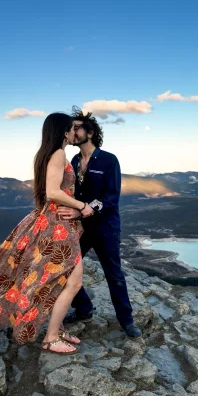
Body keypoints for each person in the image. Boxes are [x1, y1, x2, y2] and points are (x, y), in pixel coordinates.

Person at [0, 112, 94, 354]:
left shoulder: (46, 154)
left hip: (53, 223)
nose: (74, 132)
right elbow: (52, 192)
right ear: (62, 131)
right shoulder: (59, 154)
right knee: (73, 281)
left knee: (64, 280)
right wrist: (82, 207)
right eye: (71, 128)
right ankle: (50, 338)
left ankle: (56, 330)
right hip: (58, 228)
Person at [56, 107, 143, 339]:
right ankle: (84, 308)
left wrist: (82, 212)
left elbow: (111, 198)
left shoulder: (108, 160)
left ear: (90, 132)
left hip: (105, 228)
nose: (72, 132)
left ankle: (127, 321)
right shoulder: (74, 160)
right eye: (71, 128)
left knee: (114, 274)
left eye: (77, 127)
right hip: (81, 228)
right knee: (63, 267)